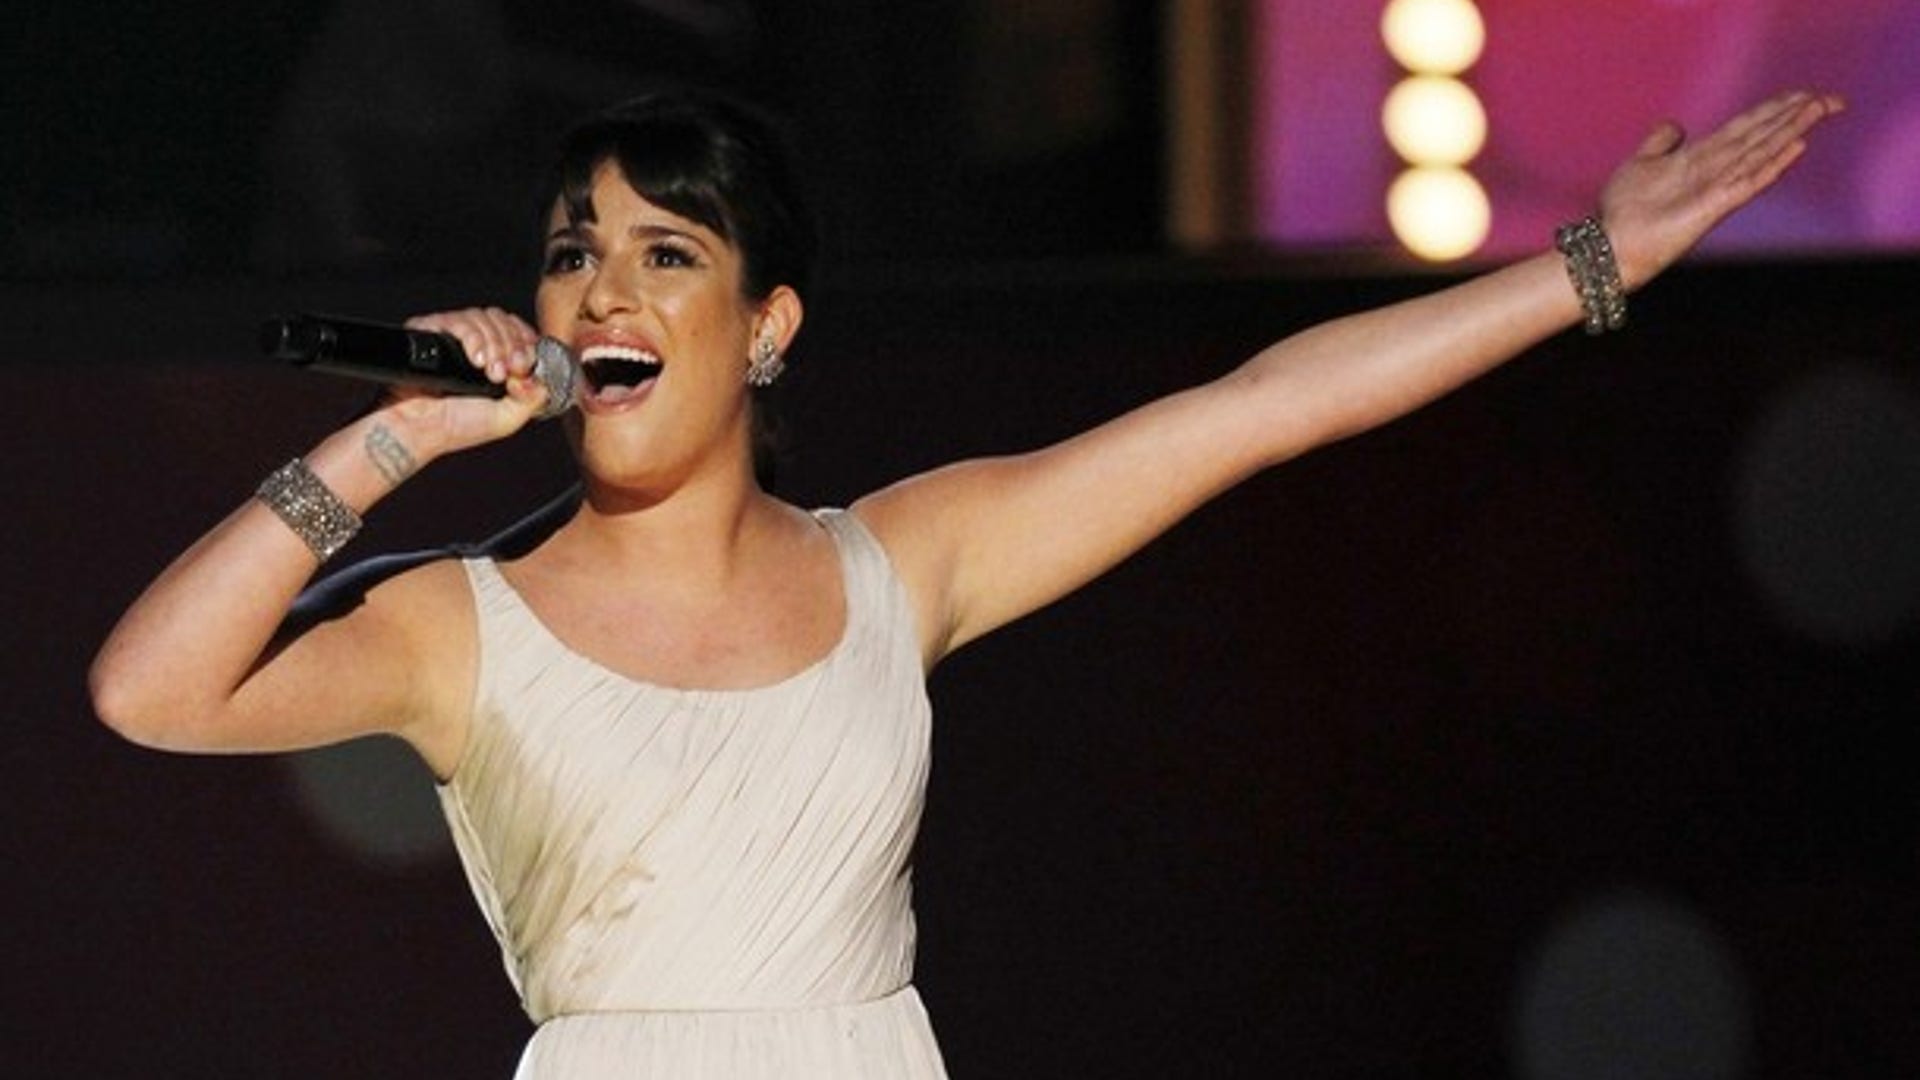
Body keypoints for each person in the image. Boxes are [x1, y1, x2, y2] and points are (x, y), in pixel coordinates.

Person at [89, 85, 1843, 1077]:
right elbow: (148, 691)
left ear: (764, 328)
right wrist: (391, 445)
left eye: (665, 252)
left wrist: (1592, 264)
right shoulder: (460, 620)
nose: (602, 293)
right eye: (573, 256)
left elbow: (1259, 409)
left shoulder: (900, 564)